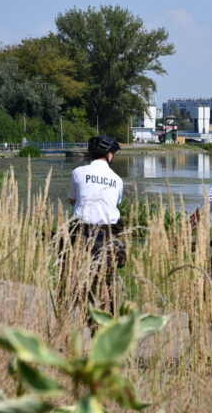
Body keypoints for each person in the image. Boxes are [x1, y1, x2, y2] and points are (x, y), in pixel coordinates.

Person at [65, 135, 125, 315]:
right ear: (109, 155)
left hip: (81, 231)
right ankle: (108, 317)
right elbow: (114, 204)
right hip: (107, 233)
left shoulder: (78, 172)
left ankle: (74, 312)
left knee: (75, 274)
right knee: (106, 279)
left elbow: (72, 199)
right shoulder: (117, 180)